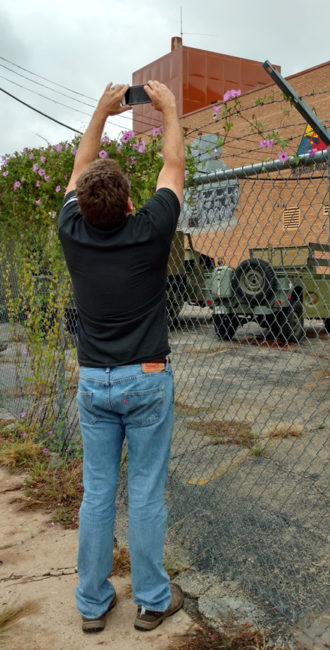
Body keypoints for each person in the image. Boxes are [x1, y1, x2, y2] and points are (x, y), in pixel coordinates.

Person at [57, 80, 185, 633]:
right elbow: (174, 166)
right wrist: (171, 109)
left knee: (98, 494)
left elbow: (80, 167)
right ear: (132, 203)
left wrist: (99, 112)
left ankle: (91, 603)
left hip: (94, 383)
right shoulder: (151, 231)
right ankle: (153, 600)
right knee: (147, 494)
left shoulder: (72, 231)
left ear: (82, 205)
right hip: (148, 379)